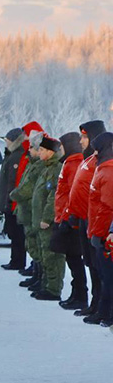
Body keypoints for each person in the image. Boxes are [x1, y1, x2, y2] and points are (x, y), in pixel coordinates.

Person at [70, 121, 106, 318]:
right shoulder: (89, 159)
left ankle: (101, 305)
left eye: (84, 137)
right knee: (91, 263)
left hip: (95, 221)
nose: (81, 141)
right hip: (84, 218)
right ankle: (94, 302)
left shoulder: (101, 160)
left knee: (98, 266)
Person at [50, 133, 86, 308]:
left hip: (70, 219)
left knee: (74, 258)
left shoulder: (74, 164)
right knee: (71, 258)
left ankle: (80, 295)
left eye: (62, 145)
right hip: (65, 216)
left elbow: (73, 194)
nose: (59, 150)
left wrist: (66, 217)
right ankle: (77, 293)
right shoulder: (69, 162)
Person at [30, 135, 65, 301]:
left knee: (51, 256)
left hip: (48, 222)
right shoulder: (45, 168)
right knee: (44, 254)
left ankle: (53, 289)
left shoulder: (55, 169)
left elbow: (53, 197)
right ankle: (46, 285)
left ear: (51, 152)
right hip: (40, 220)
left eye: (42, 150)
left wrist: (46, 217)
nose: (39, 152)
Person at [12, 130, 46, 288]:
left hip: (34, 211)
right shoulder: (32, 164)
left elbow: (29, 188)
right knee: (32, 245)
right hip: (28, 210)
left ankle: (41, 278)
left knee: (38, 247)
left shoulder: (39, 166)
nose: (29, 150)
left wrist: (14, 195)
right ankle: (37, 275)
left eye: (32, 147)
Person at [88, 132, 113, 326]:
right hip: (99, 229)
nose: (93, 152)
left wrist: (99, 233)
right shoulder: (102, 168)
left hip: (105, 233)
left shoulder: (109, 171)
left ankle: (106, 313)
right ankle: (103, 311)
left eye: (97, 148)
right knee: (102, 275)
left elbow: (107, 207)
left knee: (107, 276)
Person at [0, 128, 27, 269]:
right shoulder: (11, 154)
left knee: (17, 234)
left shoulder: (16, 156)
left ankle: (17, 261)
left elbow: (12, 180)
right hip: (9, 200)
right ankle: (15, 260)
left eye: (7, 140)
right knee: (13, 233)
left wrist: (9, 200)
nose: (6, 143)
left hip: (13, 202)